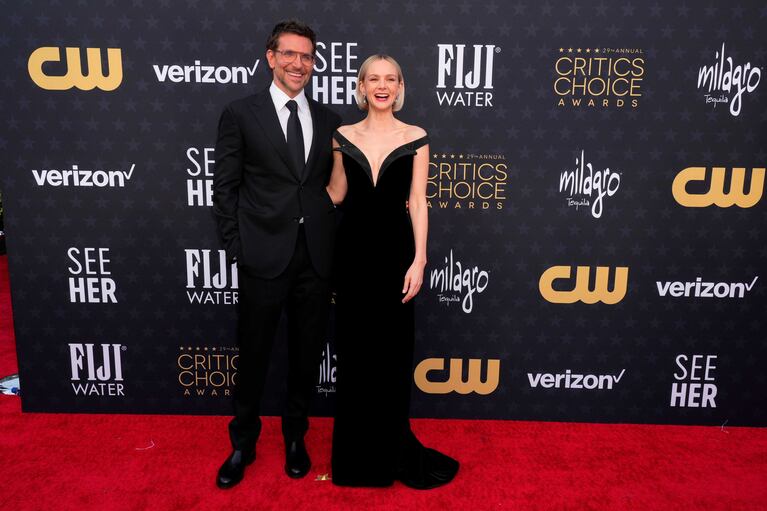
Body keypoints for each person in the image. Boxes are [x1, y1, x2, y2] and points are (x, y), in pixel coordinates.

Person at [212, 19, 342, 489]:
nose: (298, 64)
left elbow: (336, 186)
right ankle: (242, 442)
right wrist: (237, 247)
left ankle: (295, 437)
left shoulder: (330, 119)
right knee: (253, 356)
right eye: (289, 54)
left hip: (315, 259)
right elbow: (224, 188)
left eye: (306, 57)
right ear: (270, 57)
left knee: (306, 355)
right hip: (261, 257)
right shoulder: (240, 113)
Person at [326, 54, 459, 489]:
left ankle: (389, 455)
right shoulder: (341, 136)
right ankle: (354, 462)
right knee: (356, 354)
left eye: (390, 79)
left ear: (399, 87)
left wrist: (419, 259)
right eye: (373, 79)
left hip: (397, 255)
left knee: (392, 355)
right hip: (352, 256)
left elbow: (418, 201)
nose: (382, 86)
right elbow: (337, 193)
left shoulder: (416, 136)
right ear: (361, 87)